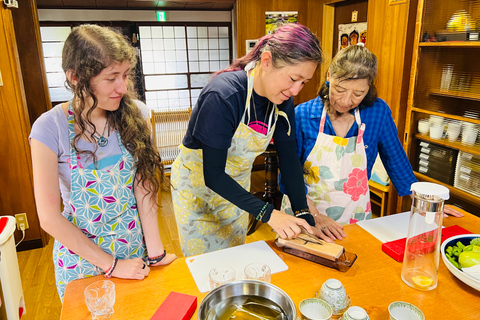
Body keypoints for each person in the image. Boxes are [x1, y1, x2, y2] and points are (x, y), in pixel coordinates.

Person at [29, 24, 176, 300]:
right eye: (111, 78)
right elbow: (49, 217)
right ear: (75, 78)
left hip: (133, 247)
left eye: (125, 75)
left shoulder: (137, 114)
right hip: (82, 260)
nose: (122, 87)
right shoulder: (50, 128)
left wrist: (155, 253)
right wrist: (111, 265)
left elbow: (144, 187)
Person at [280, 45, 463, 243]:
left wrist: (425, 202)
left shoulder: (377, 112)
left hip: (353, 212)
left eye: (358, 94)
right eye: (339, 89)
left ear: (369, 88)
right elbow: (289, 174)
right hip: (304, 211)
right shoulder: (303, 115)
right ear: (329, 76)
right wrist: (313, 215)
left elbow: (396, 159)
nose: (346, 100)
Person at [171, 23, 323, 256]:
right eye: (293, 78)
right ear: (266, 61)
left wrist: (303, 211)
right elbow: (213, 175)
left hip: (236, 194)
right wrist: (269, 213)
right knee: (205, 268)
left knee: (233, 259)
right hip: (198, 193)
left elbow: (289, 159)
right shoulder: (224, 95)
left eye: (304, 82)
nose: (296, 90)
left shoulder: (282, 100)